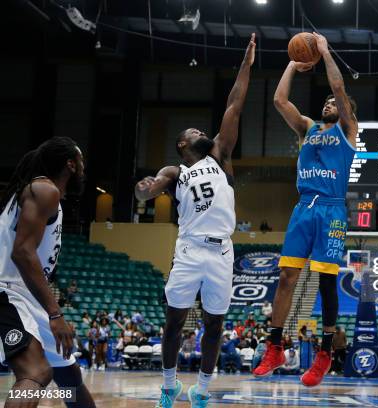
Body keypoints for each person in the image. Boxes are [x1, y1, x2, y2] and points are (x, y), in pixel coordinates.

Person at [135, 34, 256, 408]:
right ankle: (169, 385)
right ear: (181, 144)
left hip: (222, 252)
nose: (201, 132)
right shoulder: (175, 171)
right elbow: (148, 190)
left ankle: (202, 388)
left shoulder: (220, 156)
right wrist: (143, 190)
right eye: (194, 132)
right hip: (188, 250)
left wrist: (246, 65)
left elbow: (234, 104)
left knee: (215, 325)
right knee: (174, 322)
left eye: (202, 131)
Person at [253, 32, 358, 389]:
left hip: (331, 211)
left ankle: (325, 352)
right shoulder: (308, 128)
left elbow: (340, 88)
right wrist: (292, 66)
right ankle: (274, 346)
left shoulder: (347, 129)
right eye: (326, 101)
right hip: (303, 207)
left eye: (334, 101)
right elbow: (280, 100)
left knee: (327, 281)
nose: (329, 102)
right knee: (285, 279)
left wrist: (326, 52)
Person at [0, 137, 95, 407]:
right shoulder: (44, 190)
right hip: (6, 291)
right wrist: (56, 314)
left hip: (24, 296)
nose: (84, 170)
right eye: (81, 162)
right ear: (70, 164)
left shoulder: (43, 194)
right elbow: (22, 252)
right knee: (35, 372)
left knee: (69, 379)